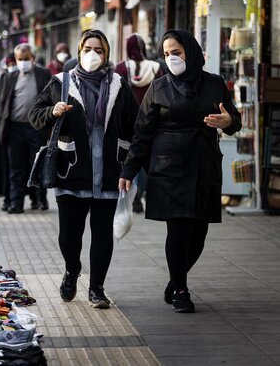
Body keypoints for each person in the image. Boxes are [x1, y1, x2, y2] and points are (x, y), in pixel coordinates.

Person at [118, 29, 241, 313]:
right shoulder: (159, 87)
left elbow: (234, 120)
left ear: (191, 51)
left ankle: (175, 280)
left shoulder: (214, 83)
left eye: (177, 52)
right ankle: (182, 290)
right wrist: (128, 170)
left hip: (205, 163)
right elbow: (141, 133)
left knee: (199, 232)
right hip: (169, 166)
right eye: (166, 54)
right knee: (179, 229)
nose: (171, 58)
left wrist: (227, 121)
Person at [28, 29, 139, 308]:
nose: (93, 54)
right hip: (71, 171)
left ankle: (97, 288)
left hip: (108, 172)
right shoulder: (61, 82)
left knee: (102, 235)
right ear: (79, 52)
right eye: (88, 49)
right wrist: (52, 112)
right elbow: (34, 115)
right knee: (69, 235)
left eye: (99, 50)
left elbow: (135, 126)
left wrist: (130, 166)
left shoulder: (119, 85)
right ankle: (72, 270)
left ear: (107, 54)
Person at [0, 44, 52, 213]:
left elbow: (50, 98)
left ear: (33, 58)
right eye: (20, 59)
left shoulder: (43, 74)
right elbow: (3, 103)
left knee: (38, 164)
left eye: (26, 59)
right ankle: (16, 203)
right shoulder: (9, 77)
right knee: (16, 168)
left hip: (36, 128)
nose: (23, 62)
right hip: (15, 129)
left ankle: (40, 199)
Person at [115, 34, 164, 213]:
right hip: (153, 121)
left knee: (130, 158)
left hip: (128, 122)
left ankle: (132, 196)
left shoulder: (121, 68)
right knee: (149, 160)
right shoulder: (156, 68)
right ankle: (147, 194)